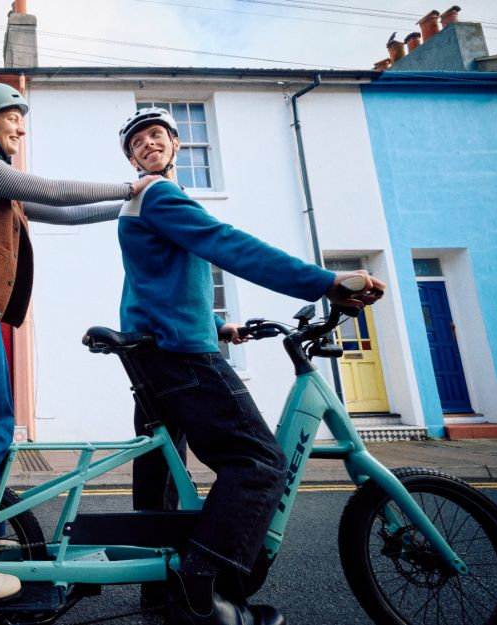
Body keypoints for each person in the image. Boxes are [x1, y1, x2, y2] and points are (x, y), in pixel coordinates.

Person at [115, 107, 385, 625]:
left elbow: (158, 282)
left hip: (156, 349)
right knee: (258, 462)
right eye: (137, 142)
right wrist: (323, 282)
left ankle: (160, 590)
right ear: (132, 158)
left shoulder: (148, 202)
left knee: (161, 471)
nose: (148, 144)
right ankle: (202, 595)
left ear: (175, 144)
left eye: (156, 135)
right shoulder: (160, 195)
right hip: (179, 354)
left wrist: (219, 325)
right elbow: (229, 245)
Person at [0, 82, 158, 605]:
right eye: (12, 118)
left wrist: (138, 203)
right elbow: (53, 190)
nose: (20, 128)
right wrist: (128, 186)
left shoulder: (2, 192)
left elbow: (66, 213)